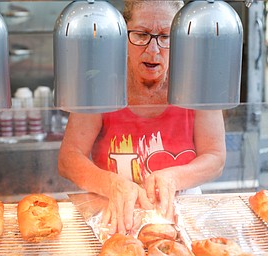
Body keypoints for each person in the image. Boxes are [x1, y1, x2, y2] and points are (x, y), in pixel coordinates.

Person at [58, 0, 226, 235]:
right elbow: (69, 159)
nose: (153, 50)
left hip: (182, 215)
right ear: (122, 34)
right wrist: (110, 183)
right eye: (140, 34)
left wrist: (174, 178)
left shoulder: (197, 83)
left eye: (166, 37)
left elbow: (215, 157)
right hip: (112, 214)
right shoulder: (102, 83)